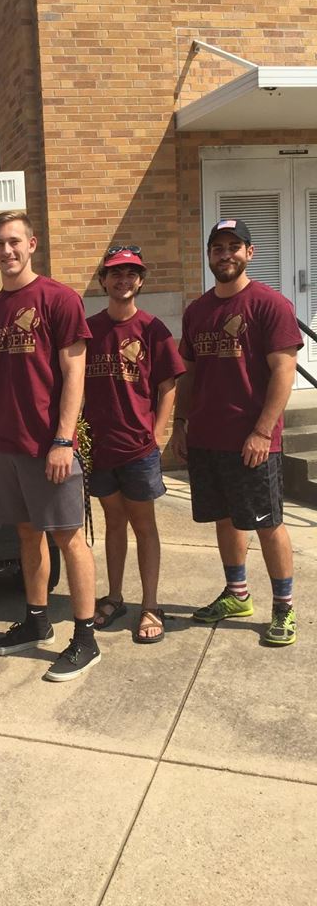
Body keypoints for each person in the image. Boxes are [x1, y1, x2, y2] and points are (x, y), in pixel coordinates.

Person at [0, 211, 99, 682]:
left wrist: (63, 439)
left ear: (31, 244)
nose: (6, 251)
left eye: (14, 242)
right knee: (27, 534)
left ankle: (85, 638)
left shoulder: (59, 299)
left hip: (49, 446)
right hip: (6, 446)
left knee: (69, 537)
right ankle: (37, 621)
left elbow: (74, 373)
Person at [173, 218, 303, 646]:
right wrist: (180, 424)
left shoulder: (270, 305)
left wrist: (263, 432)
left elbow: (284, 371)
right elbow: (189, 374)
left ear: (249, 252)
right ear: (209, 255)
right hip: (207, 438)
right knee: (225, 519)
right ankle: (237, 594)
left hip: (253, 442)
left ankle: (284, 607)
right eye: (218, 248)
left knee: (267, 523)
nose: (225, 254)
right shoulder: (197, 311)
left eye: (233, 247)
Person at [84, 246, 185, 644]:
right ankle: (114, 597)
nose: (123, 280)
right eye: (115, 273)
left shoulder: (153, 330)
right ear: (103, 280)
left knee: (144, 525)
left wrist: (158, 434)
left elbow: (168, 386)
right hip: (101, 448)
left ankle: (151, 605)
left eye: (131, 273)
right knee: (113, 522)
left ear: (140, 281)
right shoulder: (89, 329)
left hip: (138, 448)